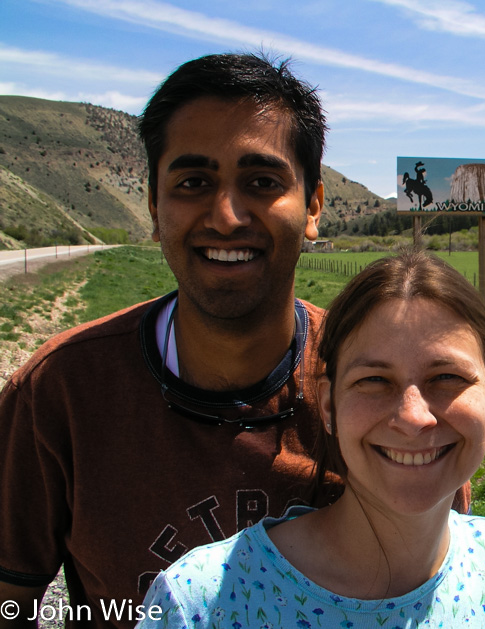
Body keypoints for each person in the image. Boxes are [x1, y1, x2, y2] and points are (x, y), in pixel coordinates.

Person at [0, 53, 330, 628]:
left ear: (313, 207)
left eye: (262, 182)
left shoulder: (380, 382)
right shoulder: (61, 391)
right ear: (155, 207)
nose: (226, 217)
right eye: (194, 182)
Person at [137, 251, 485, 629]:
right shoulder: (199, 606)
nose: (413, 418)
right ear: (329, 406)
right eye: (374, 381)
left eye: (446, 377)